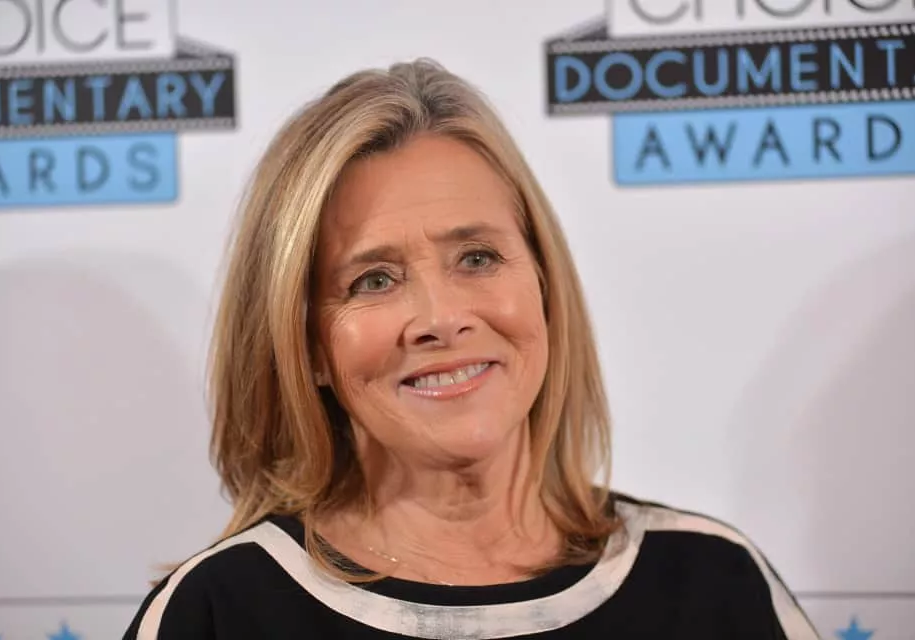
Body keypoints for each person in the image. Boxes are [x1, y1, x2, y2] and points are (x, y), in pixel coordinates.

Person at [122, 59, 820, 639]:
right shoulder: (217, 612)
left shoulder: (713, 581)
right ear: (305, 344)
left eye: (477, 257)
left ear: (543, 283)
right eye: (373, 279)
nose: (441, 318)